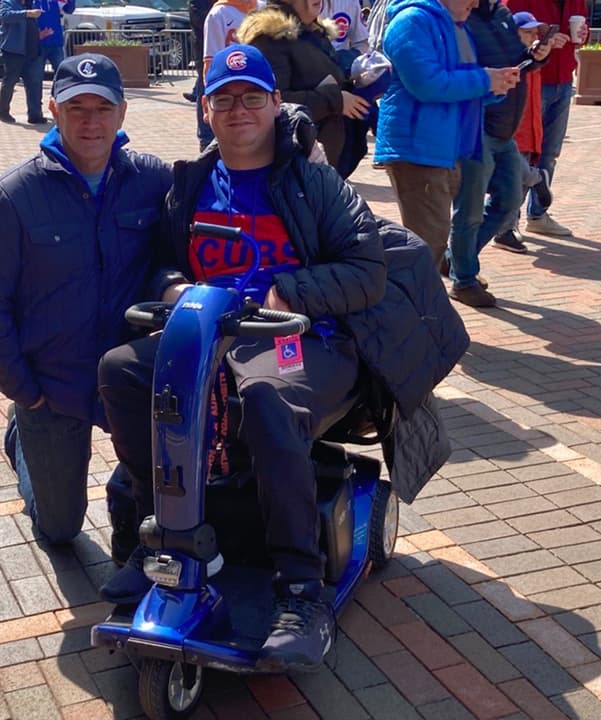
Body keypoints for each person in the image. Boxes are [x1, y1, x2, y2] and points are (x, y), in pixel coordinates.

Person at [98, 44, 387, 671]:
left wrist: (292, 291)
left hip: (298, 337)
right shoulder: (192, 185)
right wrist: (173, 287)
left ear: (275, 104)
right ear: (206, 110)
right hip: (212, 334)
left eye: (251, 97)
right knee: (122, 370)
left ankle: (298, 588)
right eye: (223, 100)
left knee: (266, 398)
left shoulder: (314, 181)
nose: (237, 110)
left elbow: (369, 268)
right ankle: (158, 540)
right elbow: (164, 261)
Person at [0, 55, 173, 547]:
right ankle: (23, 436)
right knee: (59, 530)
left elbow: (209, 202)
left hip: (128, 379)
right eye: (77, 108)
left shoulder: (153, 181)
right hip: (50, 385)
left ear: (122, 114)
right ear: (54, 111)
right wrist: (22, 387)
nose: (91, 121)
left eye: (103, 107)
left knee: (166, 489)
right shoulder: (13, 196)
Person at [372, 0, 519, 270]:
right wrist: (485, 80)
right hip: (417, 150)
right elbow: (428, 85)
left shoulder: (453, 26)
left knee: (432, 244)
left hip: (445, 149)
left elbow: (454, 85)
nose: (476, 3)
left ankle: (422, 306)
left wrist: (493, 88)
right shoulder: (411, 21)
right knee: (427, 246)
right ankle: (414, 308)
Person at [443, 0, 563, 307]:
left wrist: (535, 57)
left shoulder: (501, 14)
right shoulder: (458, 15)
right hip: (476, 126)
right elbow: (454, 70)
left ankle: (454, 259)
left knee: (508, 201)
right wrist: (488, 77)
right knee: (468, 211)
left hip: (505, 129)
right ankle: (464, 280)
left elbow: (517, 61)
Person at [239, 0, 368, 171]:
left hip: (319, 165)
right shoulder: (270, 38)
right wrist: (336, 100)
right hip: (291, 167)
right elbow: (274, 103)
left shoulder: (312, 32)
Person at [506, 0, 588, 237]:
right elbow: (504, 30)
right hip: (532, 80)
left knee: (549, 153)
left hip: (563, 82)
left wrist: (584, 33)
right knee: (522, 152)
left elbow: (583, 27)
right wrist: (542, 41)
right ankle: (508, 220)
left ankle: (538, 214)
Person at [494, 10, 555, 254]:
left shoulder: (533, 60)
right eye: (526, 31)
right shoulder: (505, 57)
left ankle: (506, 229)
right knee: (510, 180)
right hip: (509, 132)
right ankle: (537, 179)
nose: (532, 36)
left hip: (529, 130)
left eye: (534, 32)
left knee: (516, 185)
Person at [200, 0, 256, 149]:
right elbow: (211, 65)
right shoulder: (219, 14)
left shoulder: (265, 8)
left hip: (257, 90)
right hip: (229, 91)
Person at [0, 0, 46, 124]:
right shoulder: (8, 2)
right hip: (13, 51)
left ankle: (35, 115)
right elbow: (5, 16)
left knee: (34, 84)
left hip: (32, 51)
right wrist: (27, 13)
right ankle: (4, 112)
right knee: (10, 82)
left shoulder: (31, 4)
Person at [35, 0, 73, 78]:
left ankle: (59, 90)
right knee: (36, 77)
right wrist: (35, 34)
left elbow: (69, 9)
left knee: (61, 74)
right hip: (37, 43)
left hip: (56, 42)